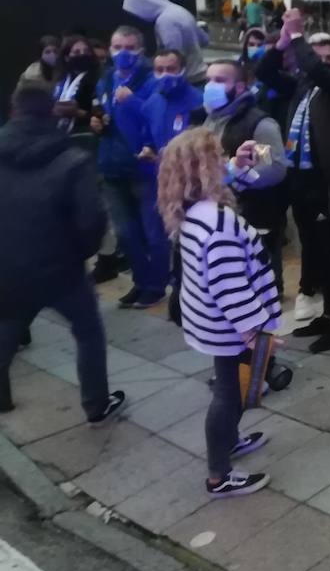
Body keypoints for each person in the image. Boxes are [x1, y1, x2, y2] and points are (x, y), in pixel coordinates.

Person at [158, 128, 280, 498]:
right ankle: (219, 474)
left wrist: (237, 168)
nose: (223, 161)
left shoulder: (192, 210)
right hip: (232, 327)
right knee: (231, 395)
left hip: (210, 322)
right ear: (205, 169)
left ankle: (229, 441)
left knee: (232, 389)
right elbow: (231, 284)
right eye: (218, 157)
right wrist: (255, 329)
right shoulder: (218, 223)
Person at [0, 82, 126, 424]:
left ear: (14, 111)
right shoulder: (72, 159)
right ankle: (96, 404)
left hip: (7, 268)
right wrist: (78, 255)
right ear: (52, 112)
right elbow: (92, 221)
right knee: (87, 331)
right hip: (62, 270)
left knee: (7, 328)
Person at [255, 11, 330, 353]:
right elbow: (264, 72)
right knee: (312, 247)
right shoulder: (301, 84)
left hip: (328, 178)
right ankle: (327, 313)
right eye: (319, 57)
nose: (323, 64)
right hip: (299, 176)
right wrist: (283, 41)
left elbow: (318, 72)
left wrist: (299, 37)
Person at [95, 25, 169, 309]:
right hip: (112, 166)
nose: (122, 53)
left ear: (140, 50)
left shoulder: (152, 81)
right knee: (126, 233)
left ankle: (156, 284)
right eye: (117, 47)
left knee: (153, 232)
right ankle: (141, 280)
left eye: (129, 47)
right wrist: (98, 124)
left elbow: (157, 119)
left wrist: (134, 102)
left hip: (143, 168)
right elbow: (105, 113)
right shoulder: (106, 80)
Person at [200, 60, 290, 291]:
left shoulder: (260, 124)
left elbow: (275, 169)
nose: (211, 86)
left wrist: (235, 176)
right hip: (219, 214)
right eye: (209, 80)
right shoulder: (210, 118)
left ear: (240, 87)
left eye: (220, 80)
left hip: (253, 214)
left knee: (258, 287)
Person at [122, 0, 208, 83]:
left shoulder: (165, 21)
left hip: (188, 79)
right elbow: (204, 40)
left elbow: (172, 57)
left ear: (144, 5)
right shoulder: (179, 11)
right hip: (200, 73)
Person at [140, 50, 204, 155]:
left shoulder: (200, 102)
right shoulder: (152, 102)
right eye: (160, 70)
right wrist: (149, 149)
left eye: (171, 69)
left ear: (183, 70)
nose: (165, 74)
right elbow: (148, 137)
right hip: (159, 168)